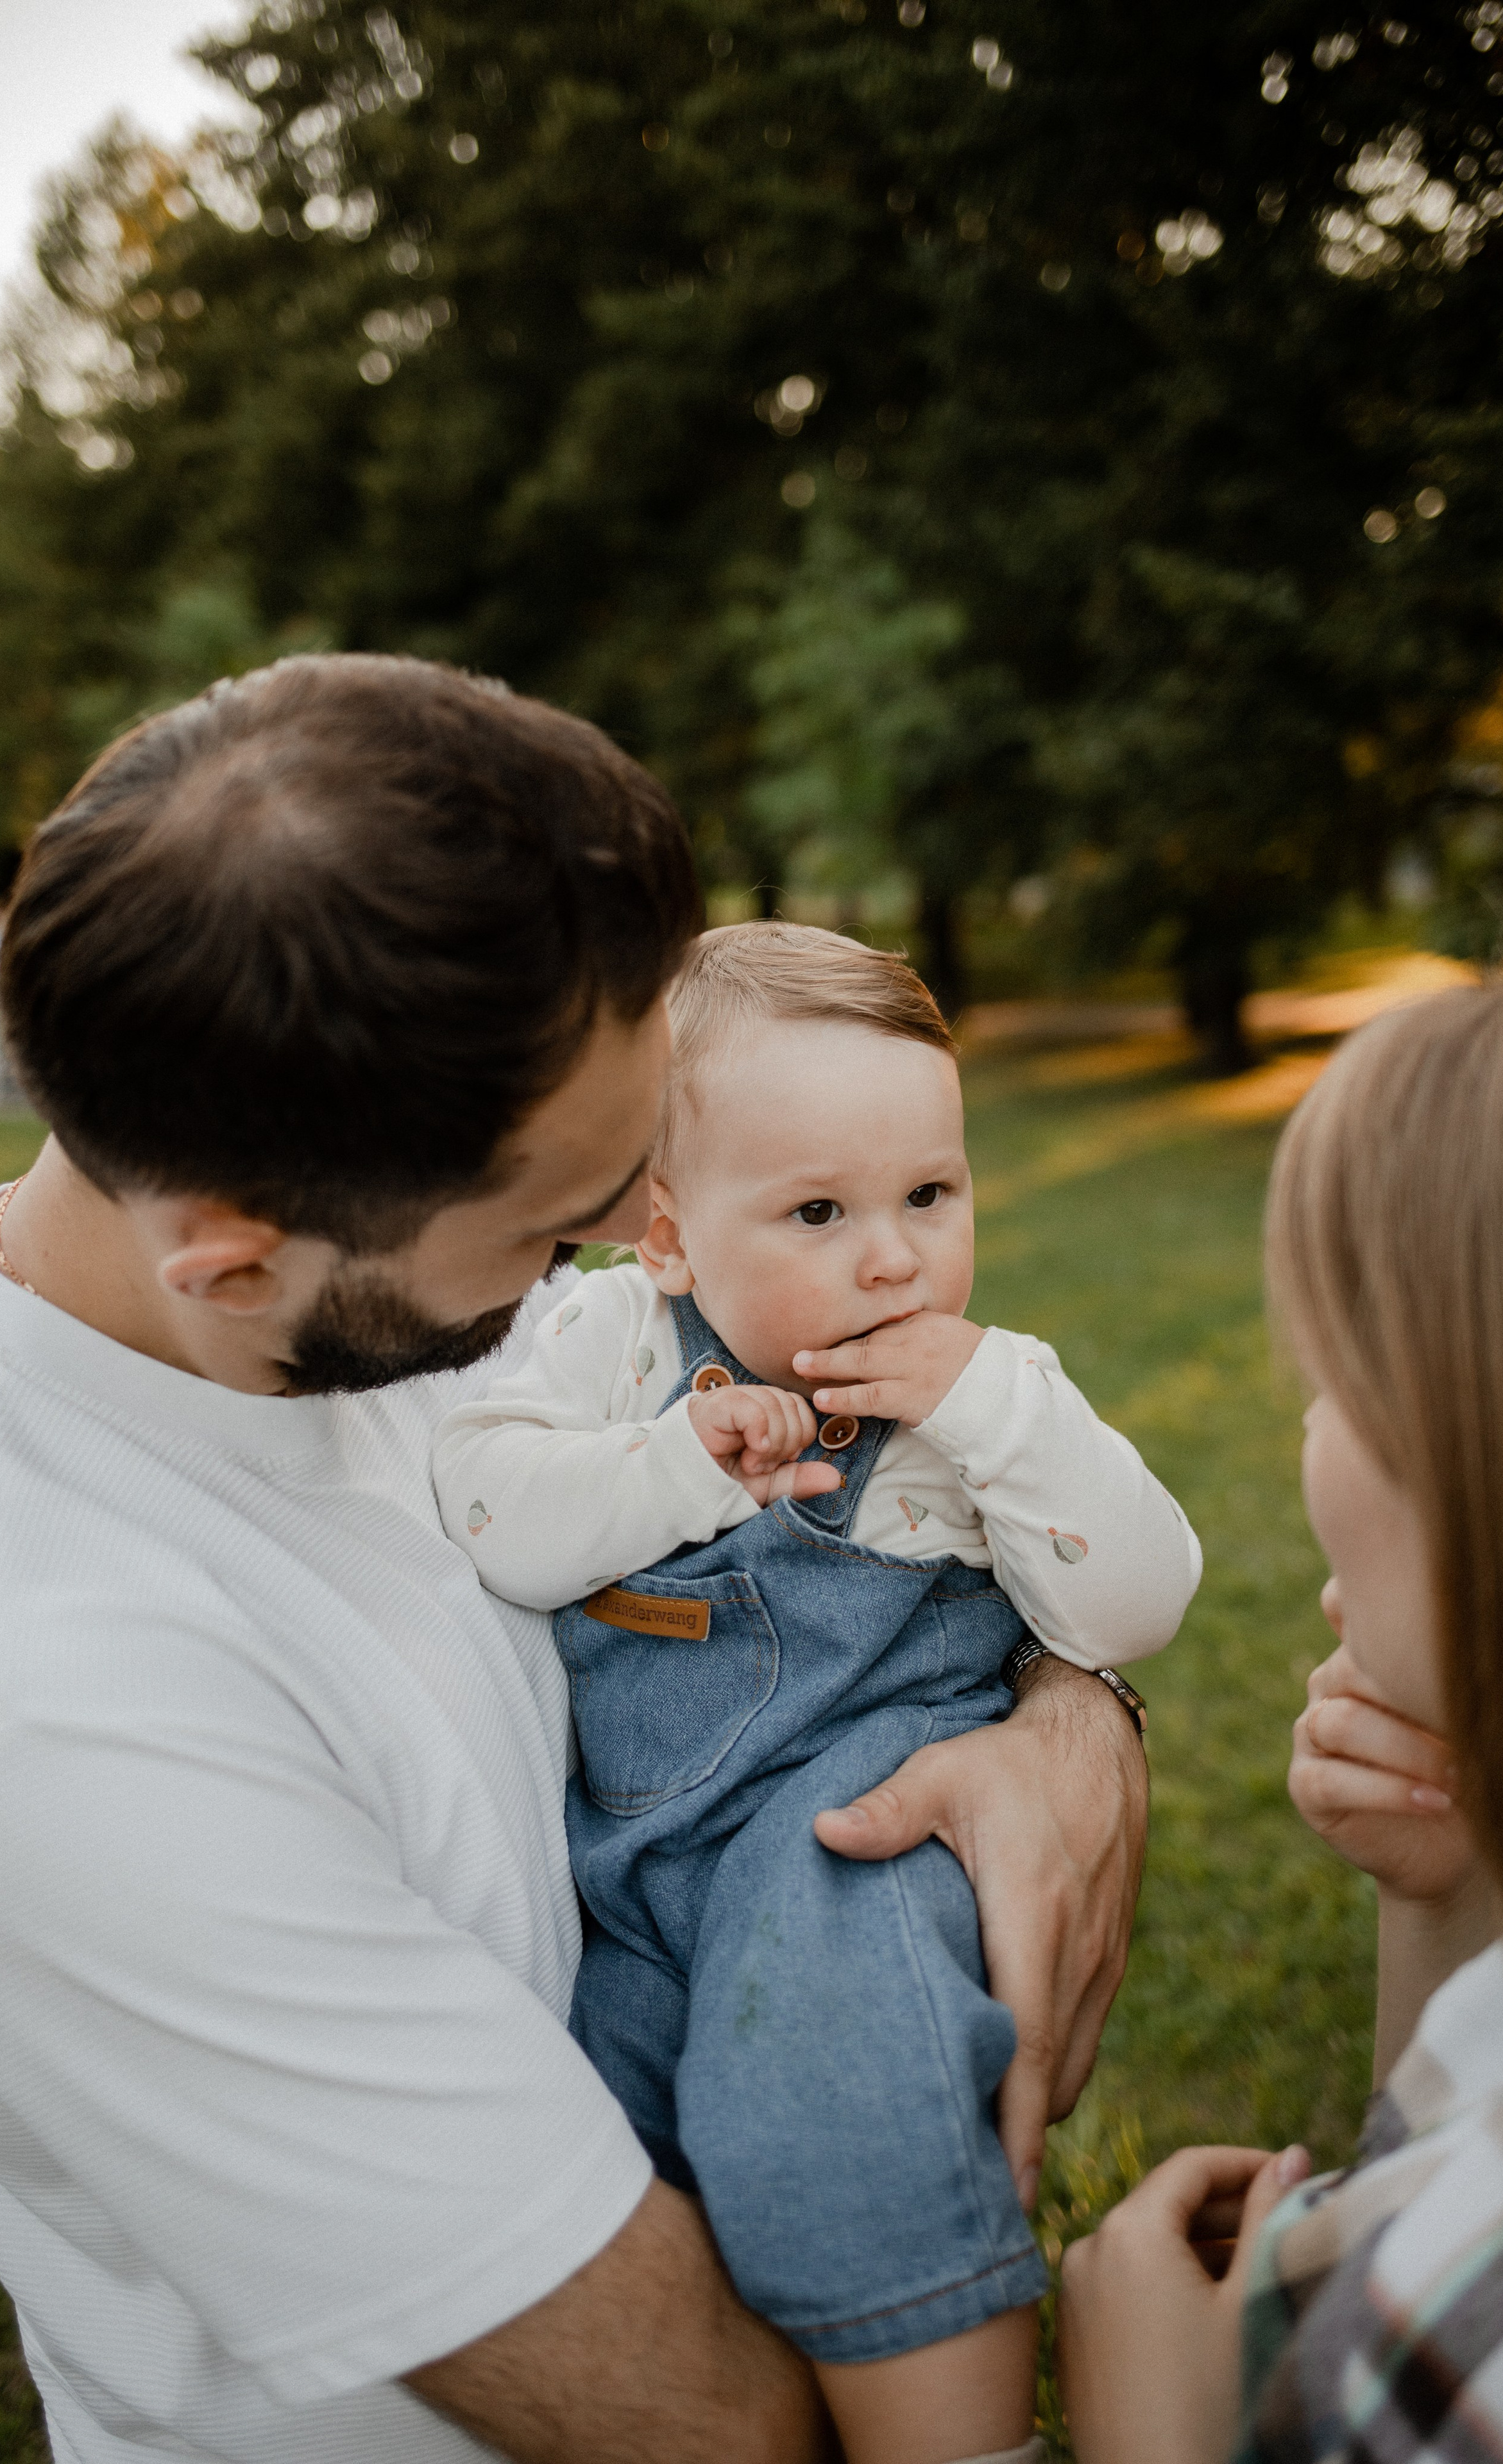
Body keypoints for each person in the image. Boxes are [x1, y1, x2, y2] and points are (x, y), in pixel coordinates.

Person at [0, 654, 1153, 2464]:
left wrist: (1066, 1722)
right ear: (235, 1262)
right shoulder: (36, 1720)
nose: (639, 1242)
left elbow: (964, 1576)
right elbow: (712, 2423)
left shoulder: (379, 1253)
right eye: (559, 1226)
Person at [434, 922, 1201, 2464]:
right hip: (636, 1882)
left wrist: (996, 1415)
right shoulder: (613, 1342)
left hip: (860, 1831)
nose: (892, 1259)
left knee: (842, 2107)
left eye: (929, 1195)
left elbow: (1138, 1601)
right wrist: (673, 1464)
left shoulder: (985, 1398)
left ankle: (959, 2438)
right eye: (817, 1212)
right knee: (617, 2151)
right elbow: (494, 1514)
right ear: (667, 1239)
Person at [1056, 975, 1503, 2464]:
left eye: (1332, 1376)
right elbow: (1435, 2167)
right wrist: (1438, 1895)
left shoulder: (1476, 2341)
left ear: (1476, 1459)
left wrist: (1156, 2443)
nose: (1305, 1428)